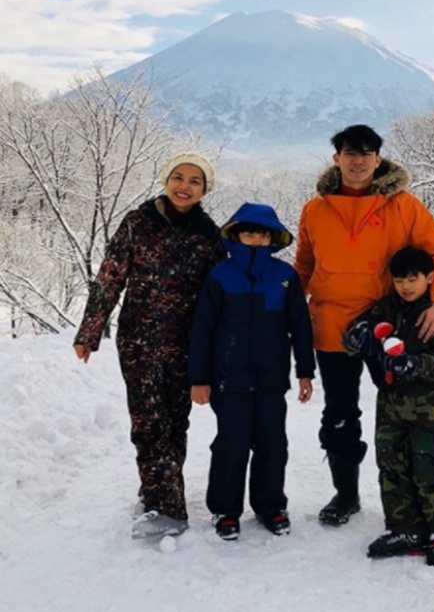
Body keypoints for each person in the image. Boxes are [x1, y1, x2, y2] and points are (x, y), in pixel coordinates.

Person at [294, 124, 434, 526]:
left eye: (367, 152)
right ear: (336, 158)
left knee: (407, 414)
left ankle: (420, 500)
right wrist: (275, 309)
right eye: (350, 152)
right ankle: (346, 495)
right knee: (339, 413)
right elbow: (304, 266)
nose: (358, 160)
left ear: (378, 158)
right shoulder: (315, 209)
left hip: (390, 326)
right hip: (333, 326)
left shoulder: (403, 205)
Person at [73, 152, 225, 539]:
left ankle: (158, 488)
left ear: (204, 189)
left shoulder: (209, 235)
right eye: (178, 177)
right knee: (147, 424)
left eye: (195, 181)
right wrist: (90, 332)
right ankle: (167, 510)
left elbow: (218, 297)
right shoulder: (137, 223)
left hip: (186, 345)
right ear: (165, 179)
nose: (184, 186)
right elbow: (110, 278)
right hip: (138, 342)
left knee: (176, 424)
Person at [187, 202, 315, 541]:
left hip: (272, 381)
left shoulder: (286, 277)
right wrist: (198, 378)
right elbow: (202, 329)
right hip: (229, 380)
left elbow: (300, 327)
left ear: (272, 237)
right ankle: (225, 510)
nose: (255, 238)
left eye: (262, 233)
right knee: (232, 444)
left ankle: (270, 506)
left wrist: (305, 371)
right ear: (235, 233)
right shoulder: (220, 275)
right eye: (249, 231)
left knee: (273, 443)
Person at [343, 246, 434, 567]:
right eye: (399, 280)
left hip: (428, 405)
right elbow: (354, 336)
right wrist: (358, 338)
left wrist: (416, 364)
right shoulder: (386, 308)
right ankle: (404, 528)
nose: (406, 286)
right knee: (392, 465)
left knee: (429, 465)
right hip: (390, 404)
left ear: (429, 278)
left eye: (413, 279)